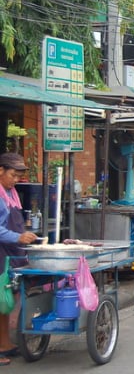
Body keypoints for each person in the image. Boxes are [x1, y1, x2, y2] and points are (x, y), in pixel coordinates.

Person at [0, 153, 37, 365]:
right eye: (13, 175)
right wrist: (18, 236)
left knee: (5, 302)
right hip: (1, 252)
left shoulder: (10, 193)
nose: (16, 180)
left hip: (10, 253)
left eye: (18, 176)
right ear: (0, 170)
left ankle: (4, 343)